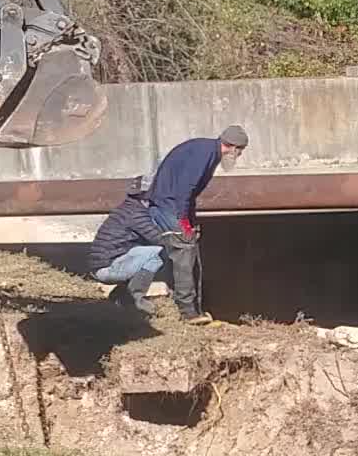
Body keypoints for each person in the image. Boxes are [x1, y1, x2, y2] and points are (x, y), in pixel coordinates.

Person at [88, 126, 248, 325]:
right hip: (169, 207)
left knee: (179, 249)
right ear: (233, 147)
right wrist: (184, 223)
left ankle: (132, 298)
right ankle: (187, 312)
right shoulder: (204, 153)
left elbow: (189, 194)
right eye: (240, 151)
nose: (239, 156)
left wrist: (189, 221)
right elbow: (185, 190)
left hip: (169, 206)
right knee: (183, 251)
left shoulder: (207, 151)